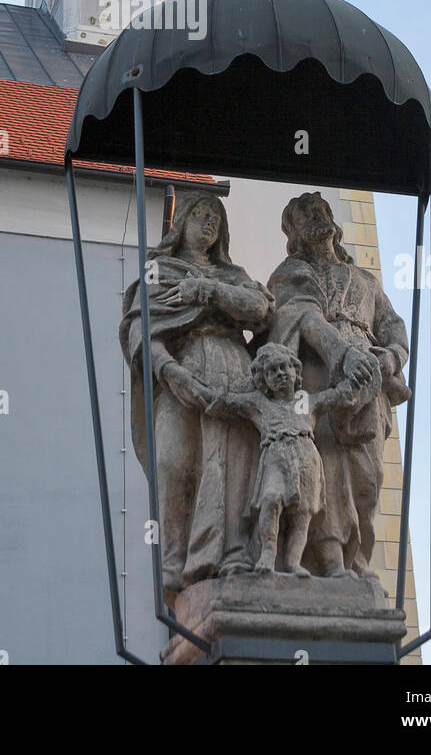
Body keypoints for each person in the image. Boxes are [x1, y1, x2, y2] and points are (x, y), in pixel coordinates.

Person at [120, 192, 273, 595]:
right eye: (202, 214)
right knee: (174, 461)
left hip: (234, 369)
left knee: (234, 465)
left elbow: (258, 308)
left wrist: (206, 291)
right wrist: (170, 372)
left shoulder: (231, 273)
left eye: (217, 219)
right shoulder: (160, 270)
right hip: (181, 368)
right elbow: (140, 328)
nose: (209, 223)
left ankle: (234, 552)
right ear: (182, 219)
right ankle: (175, 558)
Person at [265, 192, 410, 579]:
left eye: (321, 210)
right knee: (326, 467)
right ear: (293, 232)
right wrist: (342, 353)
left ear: (333, 222)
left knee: (368, 475)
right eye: (304, 215)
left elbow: (394, 329)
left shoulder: (366, 280)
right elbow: (299, 314)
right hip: (318, 370)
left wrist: (390, 357)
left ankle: (358, 559)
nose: (316, 217)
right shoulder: (289, 272)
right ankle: (330, 559)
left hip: (370, 381)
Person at [205, 342, 356, 576]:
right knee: (271, 498)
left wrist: (354, 382)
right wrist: (211, 393)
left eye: (284, 367)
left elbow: (336, 396)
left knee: (303, 514)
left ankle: (293, 561)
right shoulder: (259, 404)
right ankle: (267, 553)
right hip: (275, 455)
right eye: (271, 371)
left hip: (307, 457)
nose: (280, 374)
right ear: (264, 380)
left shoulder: (307, 401)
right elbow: (226, 402)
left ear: (295, 370)